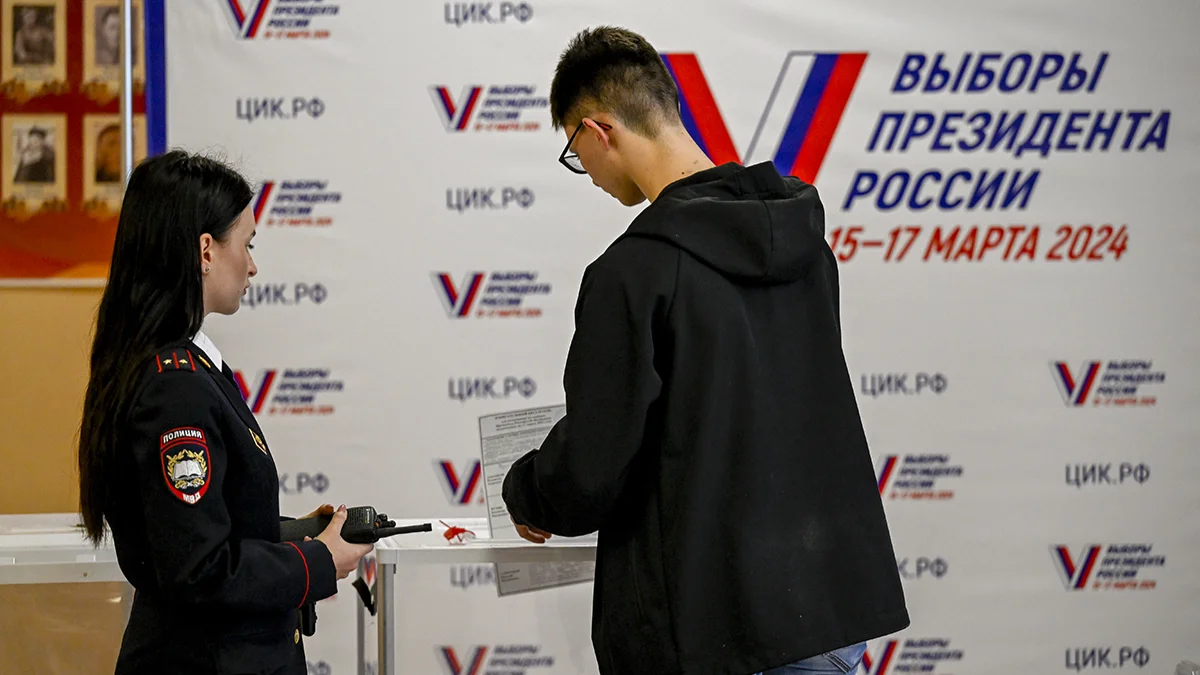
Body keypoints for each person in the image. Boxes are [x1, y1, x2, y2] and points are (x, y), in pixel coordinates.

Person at [501, 26, 909, 675]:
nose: (590, 175)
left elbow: (592, 467)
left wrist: (526, 488)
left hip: (711, 630)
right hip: (827, 616)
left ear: (598, 131)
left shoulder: (633, 273)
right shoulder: (806, 244)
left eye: (576, 154)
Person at [77, 150, 373, 675]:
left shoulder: (182, 367)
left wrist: (302, 532)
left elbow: (201, 529)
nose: (253, 265)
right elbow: (200, 568)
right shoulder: (175, 388)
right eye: (248, 244)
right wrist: (317, 561)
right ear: (206, 251)